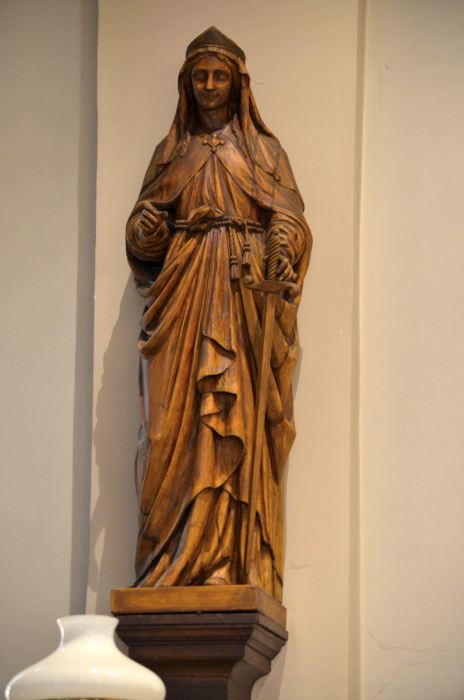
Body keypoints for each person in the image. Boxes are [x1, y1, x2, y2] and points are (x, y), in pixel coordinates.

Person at [125, 27, 312, 601]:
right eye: (200, 76)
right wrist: (147, 232)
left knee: (234, 419)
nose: (209, 86)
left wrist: (280, 245)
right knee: (169, 427)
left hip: (241, 292)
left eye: (219, 75)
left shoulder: (263, 153)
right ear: (187, 83)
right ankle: (170, 559)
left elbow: (290, 220)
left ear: (238, 84)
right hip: (183, 291)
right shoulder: (171, 153)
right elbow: (146, 233)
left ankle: (231, 558)